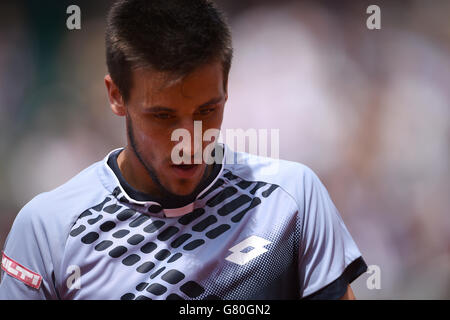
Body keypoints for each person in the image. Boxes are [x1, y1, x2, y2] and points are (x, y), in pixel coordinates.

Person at [0, 0, 367, 300]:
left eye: (207, 111)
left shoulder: (293, 201)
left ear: (226, 89)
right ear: (116, 96)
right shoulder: (47, 229)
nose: (188, 141)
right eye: (162, 116)